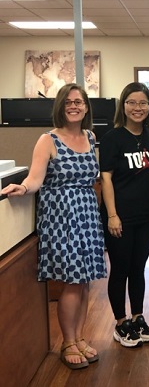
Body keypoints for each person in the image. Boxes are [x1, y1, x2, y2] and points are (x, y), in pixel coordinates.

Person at [1, 83, 106, 369]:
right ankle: (68, 342)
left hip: (87, 215)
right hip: (61, 218)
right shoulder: (48, 140)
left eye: (79, 101)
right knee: (71, 283)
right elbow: (35, 179)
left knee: (85, 283)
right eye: (69, 101)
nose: (74, 106)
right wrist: (22, 188)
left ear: (86, 107)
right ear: (60, 106)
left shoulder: (90, 136)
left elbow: (93, 178)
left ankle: (80, 337)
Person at [99, 82, 149, 348]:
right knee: (120, 269)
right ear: (123, 106)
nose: (137, 108)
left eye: (143, 103)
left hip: (147, 216)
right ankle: (121, 323)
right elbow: (106, 178)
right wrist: (112, 215)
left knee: (138, 268)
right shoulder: (113, 137)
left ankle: (138, 318)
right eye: (132, 102)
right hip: (119, 216)